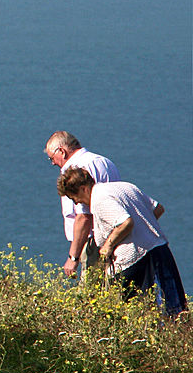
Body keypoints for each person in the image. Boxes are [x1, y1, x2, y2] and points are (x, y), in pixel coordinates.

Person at [57, 167, 186, 317]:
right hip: (160, 250)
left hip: (135, 261)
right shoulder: (124, 186)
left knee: (138, 314)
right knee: (173, 307)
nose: (78, 203)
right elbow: (157, 209)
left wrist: (108, 246)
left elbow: (125, 223)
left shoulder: (99, 199)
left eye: (75, 198)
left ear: (83, 189)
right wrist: (142, 230)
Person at [44, 131, 121, 279]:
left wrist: (73, 257)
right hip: (114, 235)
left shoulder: (76, 169)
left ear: (61, 151)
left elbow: (83, 216)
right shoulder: (104, 162)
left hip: (92, 240)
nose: (53, 162)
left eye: (51, 158)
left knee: (90, 292)